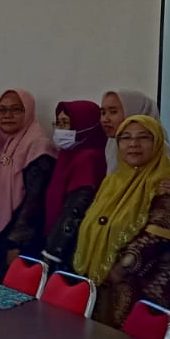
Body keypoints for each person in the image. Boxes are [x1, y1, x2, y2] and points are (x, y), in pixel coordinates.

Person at [76, 115, 170, 329]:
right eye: (125, 138)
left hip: (144, 289)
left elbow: (156, 237)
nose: (133, 144)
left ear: (157, 143)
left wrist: (120, 268)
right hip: (104, 286)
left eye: (143, 137)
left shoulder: (167, 186)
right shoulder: (112, 182)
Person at [0, 89, 56, 281]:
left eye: (16, 109)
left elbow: (34, 201)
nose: (7, 115)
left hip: (17, 240)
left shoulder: (38, 147)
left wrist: (15, 244)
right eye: (1, 110)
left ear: (28, 112)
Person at [42, 100, 109, 268]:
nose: (60, 130)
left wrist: (53, 251)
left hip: (69, 248)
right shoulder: (68, 154)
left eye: (66, 123)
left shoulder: (89, 158)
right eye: (58, 123)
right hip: (55, 238)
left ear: (85, 125)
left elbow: (76, 208)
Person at [101, 90, 159, 172]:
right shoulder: (112, 144)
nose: (105, 119)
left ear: (134, 113)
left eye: (113, 112)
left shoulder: (160, 151)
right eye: (103, 113)